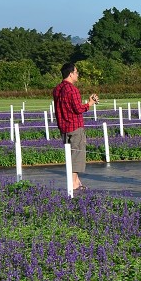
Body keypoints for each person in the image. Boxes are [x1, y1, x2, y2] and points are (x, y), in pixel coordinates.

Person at [52, 63, 99, 191]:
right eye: (76, 72)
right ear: (71, 73)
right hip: (74, 126)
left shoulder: (57, 89)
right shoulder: (72, 89)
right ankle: (73, 183)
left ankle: (77, 182)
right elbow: (78, 109)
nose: (77, 75)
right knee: (77, 155)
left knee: (70, 154)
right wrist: (90, 103)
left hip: (63, 127)